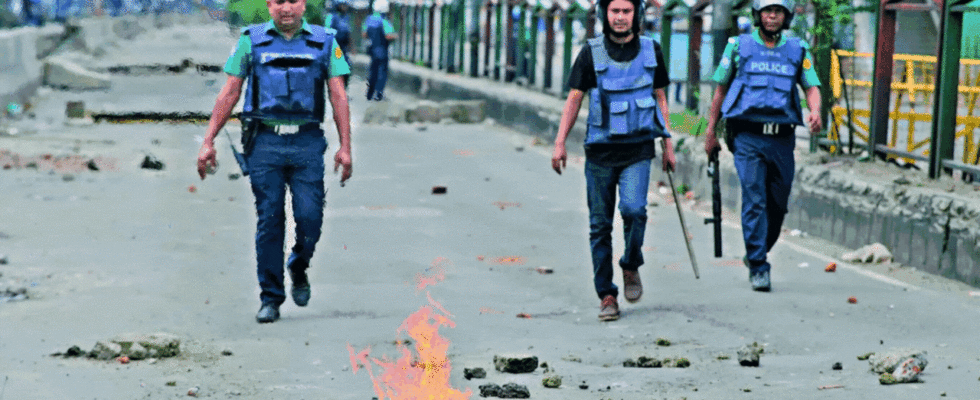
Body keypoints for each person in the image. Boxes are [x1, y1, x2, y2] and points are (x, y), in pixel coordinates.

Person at [196, 0, 353, 323]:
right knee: (270, 220)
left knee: (310, 217)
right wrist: (209, 140)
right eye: (279, 1)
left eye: (293, 1)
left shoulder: (325, 42)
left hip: (307, 142)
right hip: (264, 142)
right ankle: (271, 297)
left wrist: (345, 147)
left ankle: (298, 264)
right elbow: (230, 92)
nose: (286, 9)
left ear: (303, 5)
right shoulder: (250, 41)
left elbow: (338, 95)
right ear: (269, 5)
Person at [550, 0, 675, 322]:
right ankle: (607, 294)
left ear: (637, 14)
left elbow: (661, 96)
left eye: (627, 11)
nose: (620, 17)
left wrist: (669, 144)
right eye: (615, 11)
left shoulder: (651, 51)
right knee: (600, 225)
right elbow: (575, 97)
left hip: (638, 148)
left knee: (635, 210)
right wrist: (560, 142)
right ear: (605, 14)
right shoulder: (591, 52)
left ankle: (631, 263)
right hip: (601, 152)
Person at [703, 0, 821, 292]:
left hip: (782, 138)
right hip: (747, 136)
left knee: (777, 206)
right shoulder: (737, 46)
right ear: (758, 15)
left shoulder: (797, 49)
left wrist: (815, 110)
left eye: (778, 12)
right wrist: (710, 132)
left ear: (786, 16)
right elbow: (720, 90)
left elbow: (811, 86)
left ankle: (756, 251)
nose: (772, 16)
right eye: (768, 11)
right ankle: (758, 265)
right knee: (754, 198)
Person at [362, 0, 396, 101]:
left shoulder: (369, 19)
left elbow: (364, 34)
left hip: (372, 50)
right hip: (382, 50)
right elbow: (388, 35)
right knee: (382, 72)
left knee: (373, 71)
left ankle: (369, 93)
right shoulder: (384, 20)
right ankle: (379, 94)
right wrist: (395, 36)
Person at [324, 0, 352, 88]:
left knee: (347, 69)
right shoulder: (331, 17)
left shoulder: (346, 17)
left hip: (343, 48)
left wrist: (351, 47)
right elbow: (327, 33)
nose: (345, 7)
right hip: (334, 48)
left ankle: (343, 90)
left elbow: (348, 33)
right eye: (343, 5)